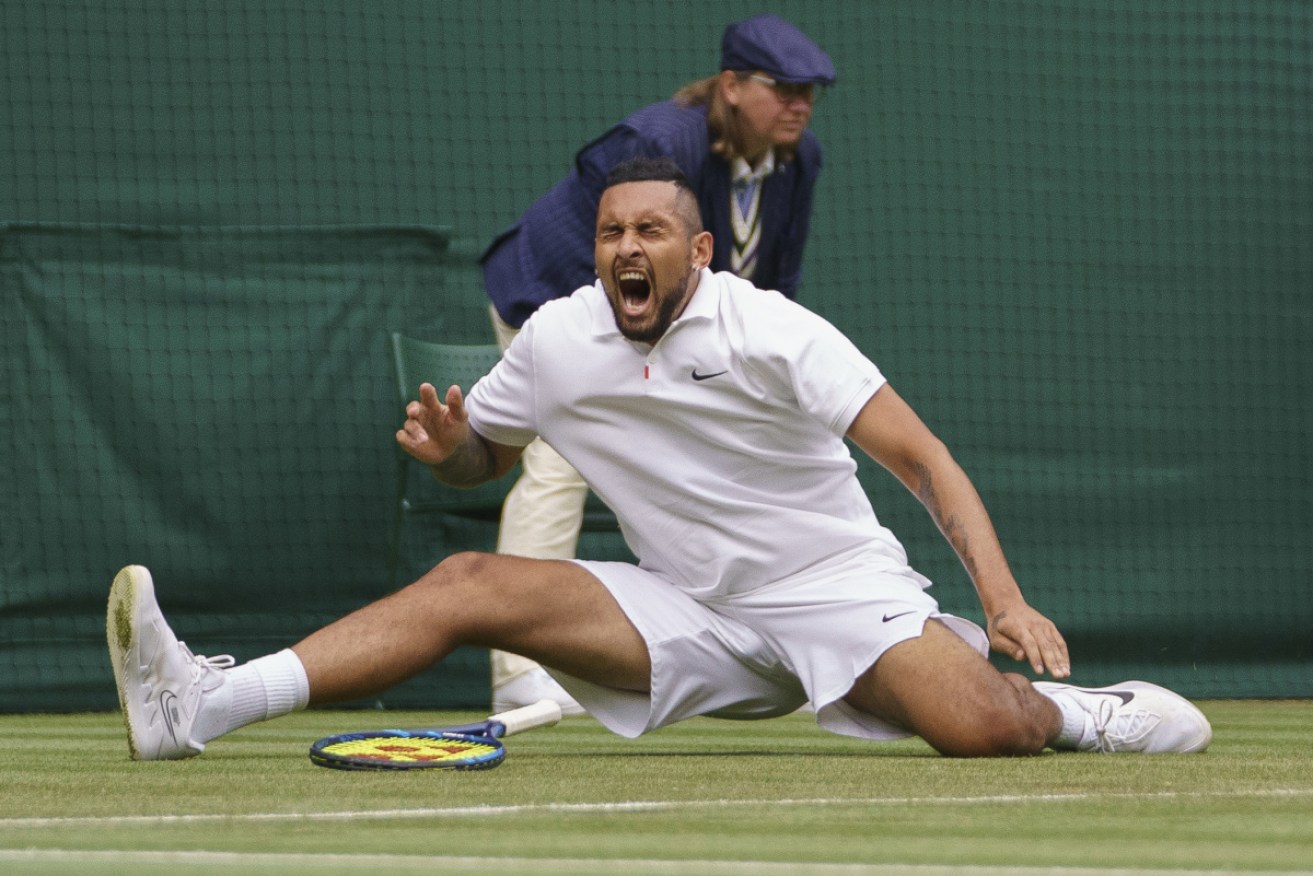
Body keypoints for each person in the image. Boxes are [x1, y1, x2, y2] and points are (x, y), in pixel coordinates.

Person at [109, 158, 1212, 761]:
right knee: (467, 584)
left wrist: (1005, 599)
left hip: (836, 591)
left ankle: (1078, 713)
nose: (623, 250)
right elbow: (484, 459)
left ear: (693, 250)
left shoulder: (771, 330)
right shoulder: (556, 339)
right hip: (685, 606)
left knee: (980, 728)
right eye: (607, 234)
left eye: (647, 233)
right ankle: (202, 704)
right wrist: (454, 452)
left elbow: (919, 460)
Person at [482, 14, 837, 712]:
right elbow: (611, 246)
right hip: (554, 296)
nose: (799, 103)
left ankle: (757, 641)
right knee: (560, 463)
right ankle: (519, 673)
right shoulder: (658, 141)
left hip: (668, 324)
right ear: (731, 86)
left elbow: (772, 284)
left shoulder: (799, 159)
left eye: (810, 92)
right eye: (784, 87)